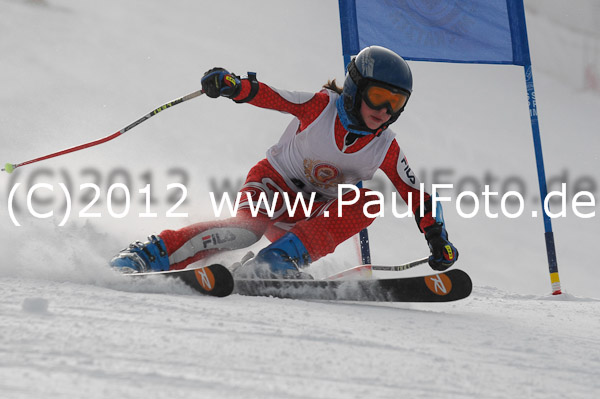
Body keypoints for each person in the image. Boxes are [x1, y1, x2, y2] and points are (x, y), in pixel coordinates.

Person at [110, 45, 459, 279]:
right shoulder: (321, 106)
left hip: (308, 216)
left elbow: (417, 194)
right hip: (272, 185)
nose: (384, 110)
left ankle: (278, 261)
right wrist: (234, 86)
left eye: (395, 103)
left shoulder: (385, 146)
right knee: (245, 231)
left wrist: (436, 237)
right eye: (378, 96)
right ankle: (149, 254)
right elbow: (275, 97)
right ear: (355, 89)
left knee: (367, 201)